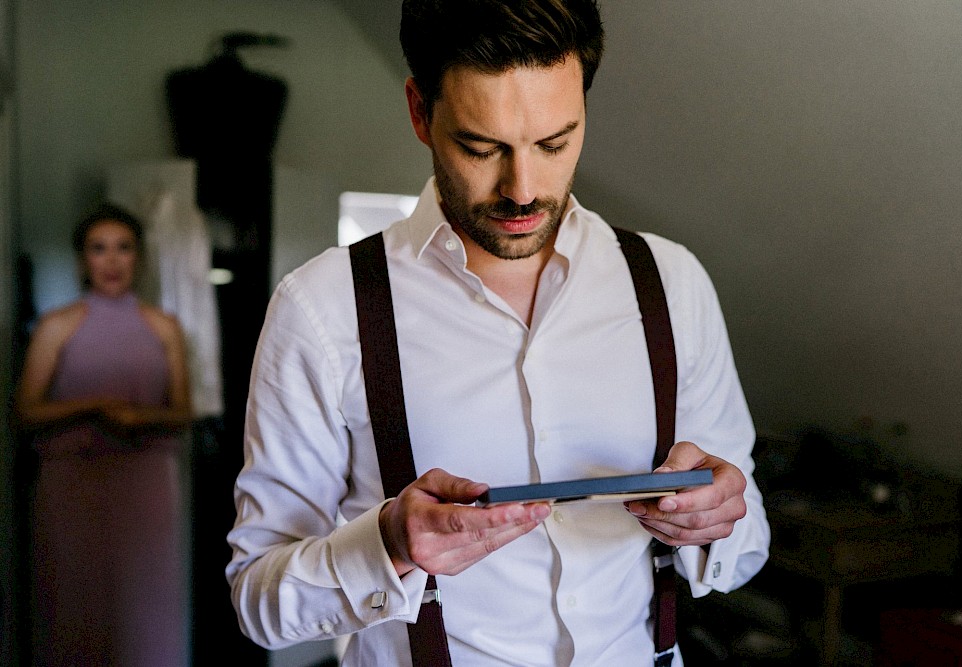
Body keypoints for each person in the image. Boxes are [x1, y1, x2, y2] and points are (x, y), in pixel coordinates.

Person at [226, 1, 770, 665]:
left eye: (555, 142)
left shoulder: (671, 283)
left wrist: (713, 522)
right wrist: (389, 546)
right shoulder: (323, 308)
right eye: (482, 148)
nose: (523, 189)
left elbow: (746, 545)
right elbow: (258, 599)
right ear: (420, 114)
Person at [14, 203, 192, 666]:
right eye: (99, 249)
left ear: (139, 258)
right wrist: (93, 406)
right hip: (71, 485)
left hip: (146, 485)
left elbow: (183, 411)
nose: (111, 261)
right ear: (82, 260)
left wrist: (139, 418)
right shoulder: (56, 327)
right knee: (74, 602)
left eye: (123, 248)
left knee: (147, 603)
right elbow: (25, 412)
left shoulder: (164, 327)